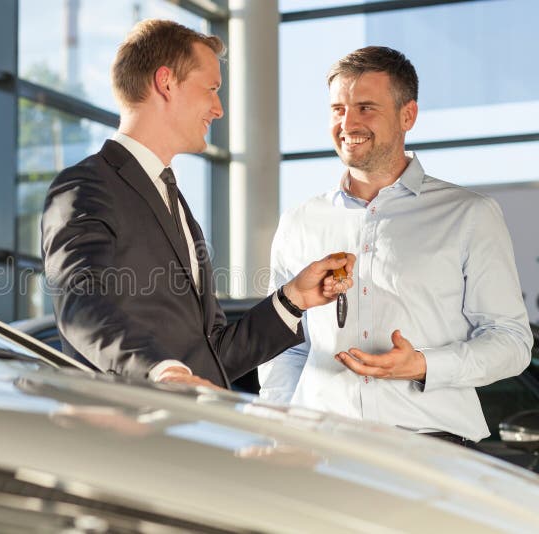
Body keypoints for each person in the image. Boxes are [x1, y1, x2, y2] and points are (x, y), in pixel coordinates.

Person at [42, 19, 354, 389]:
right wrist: (158, 371)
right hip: (134, 430)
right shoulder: (86, 186)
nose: (218, 108)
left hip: (190, 430)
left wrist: (294, 298)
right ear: (166, 82)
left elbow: (213, 352)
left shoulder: (174, 202)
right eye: (211, 89)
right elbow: (81, 307)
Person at [258, 46, 532, 445]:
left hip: (432, 446)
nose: (347, 122)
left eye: (366, 107)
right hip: (320, 447)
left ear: (408, 115)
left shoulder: (469, 215)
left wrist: (424, 365)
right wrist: (279, 428)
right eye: (338, 109)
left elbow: (511, 340)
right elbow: (283, 346)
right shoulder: (300, 222)